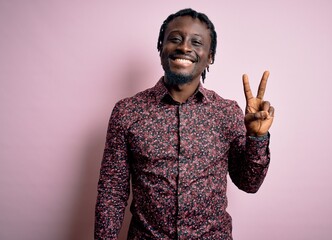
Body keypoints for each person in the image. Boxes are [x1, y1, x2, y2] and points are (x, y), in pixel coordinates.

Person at [95, 8, 274, 240]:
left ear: (210, 56)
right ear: (161, 48)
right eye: (175, 39)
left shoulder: (227, 112)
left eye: (196, 42)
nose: (184, 47)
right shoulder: (127, 112)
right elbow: (112, 192)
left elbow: (249, 183)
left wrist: (257, 138)